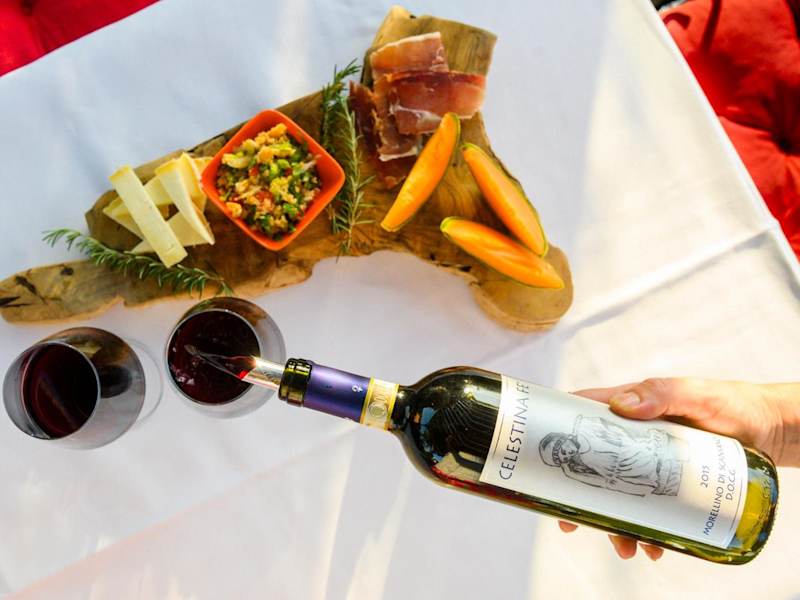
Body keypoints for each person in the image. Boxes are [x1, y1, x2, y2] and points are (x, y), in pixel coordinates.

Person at [558, 377, 800, 561]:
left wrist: (775, 418)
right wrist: (776, 422)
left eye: (562, 448)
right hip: (711, 520)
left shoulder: (587, 431)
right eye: (560, 457)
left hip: (700, 464)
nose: (566, 454)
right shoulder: (580, 466)